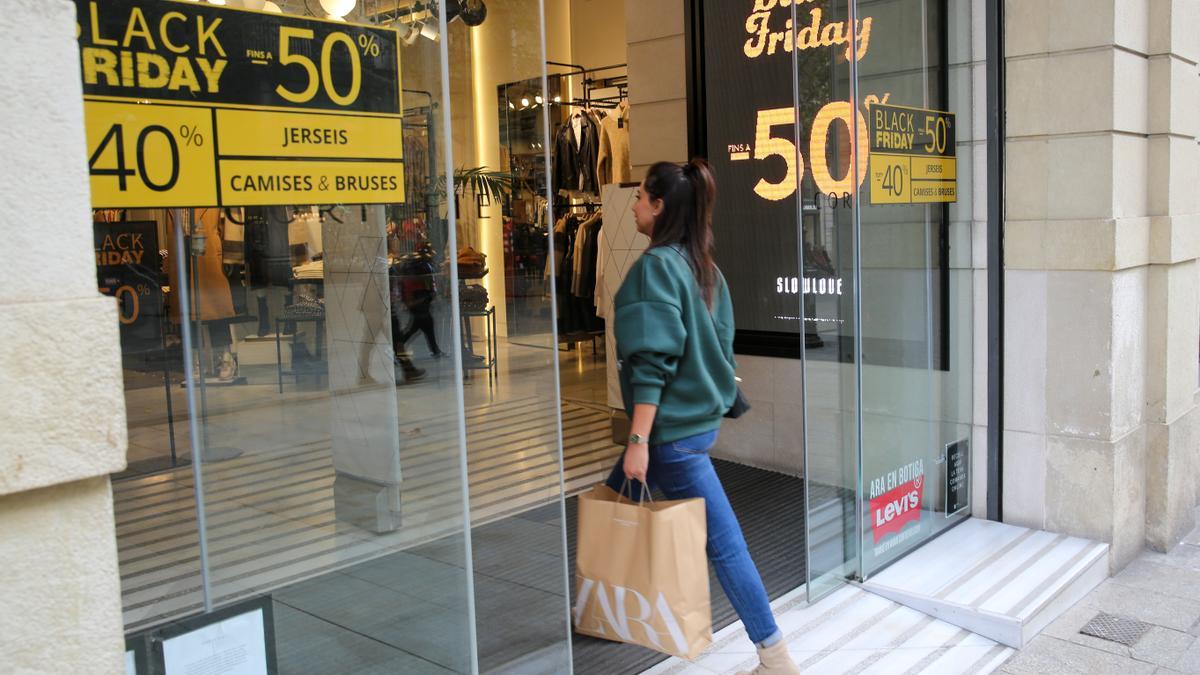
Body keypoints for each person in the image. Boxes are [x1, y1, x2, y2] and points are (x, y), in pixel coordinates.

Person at [606, 159, 800, 674]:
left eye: (641, 197)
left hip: (670, 436)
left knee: (725, 545)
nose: (633, 204)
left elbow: (651, 363)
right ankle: (598, 604)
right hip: (694, 426)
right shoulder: (704, 267)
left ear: (660, 206)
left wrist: (639, 440)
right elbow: (720, 344)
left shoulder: (654, 269)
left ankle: (775, 656)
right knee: (611, 505)